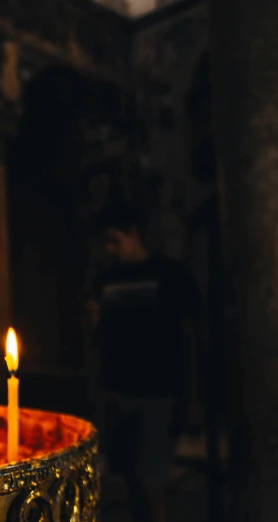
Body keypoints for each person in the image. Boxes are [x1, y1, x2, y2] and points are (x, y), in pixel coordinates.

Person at [88, 202, 204, 522]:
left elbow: (188, 337)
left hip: (158, 392)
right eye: (105, 243)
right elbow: (100, 338)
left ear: (132, 233)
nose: (110, 248)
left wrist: (194, 397)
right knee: (125, 476)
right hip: (116, 389)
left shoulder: (169, 275)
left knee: (152, 478)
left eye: (115, 240)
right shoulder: (106, 279)